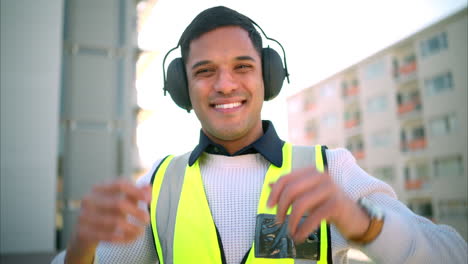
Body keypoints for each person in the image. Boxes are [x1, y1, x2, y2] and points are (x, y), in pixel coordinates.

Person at [53, 6, 467, 264]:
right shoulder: (158, 186)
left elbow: (452, 253)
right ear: (182, 88)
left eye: (243, 67)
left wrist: (362, 224)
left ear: (267, 76)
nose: (225, 84)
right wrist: (81, 247)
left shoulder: (330, 169)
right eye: (204, 71)